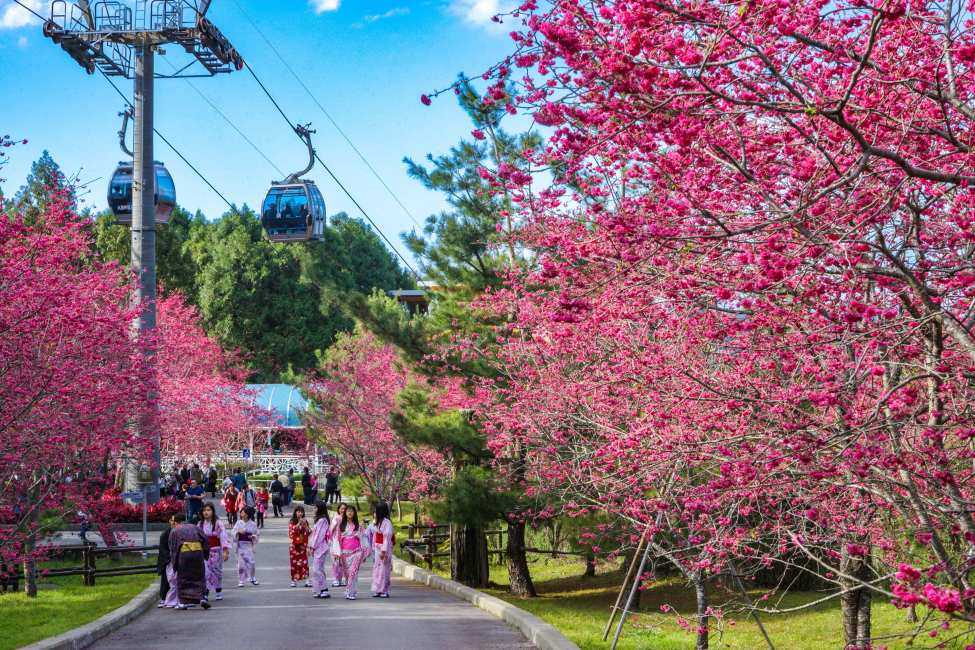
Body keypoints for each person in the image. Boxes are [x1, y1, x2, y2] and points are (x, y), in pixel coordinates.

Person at [168, 513, 211, 610]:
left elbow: (173, 548)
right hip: (198, 553)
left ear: (176, 522)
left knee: (183, 578)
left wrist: (174, 564)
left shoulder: (175, 531)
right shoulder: (196, 528)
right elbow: (205, 541)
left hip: (184, 555)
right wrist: (205, 555)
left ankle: (183, 602)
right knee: (199, 576)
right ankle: (202, 597)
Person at [198, 502, 230, 602]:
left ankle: (218, 591)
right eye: (204, 510)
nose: (206, 512)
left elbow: (224, 537)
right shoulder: (200, 524)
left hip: (216, 551)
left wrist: (225, 551)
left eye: (208, 510)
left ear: (212, 511)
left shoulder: (218, 523)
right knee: (206, 572)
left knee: (217, 572)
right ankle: (205, 593)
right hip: (204, 552)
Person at [337, 505, 367, 599]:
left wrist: (365, 553)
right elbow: (337, 540)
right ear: (345, 513)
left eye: (352, 511)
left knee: (353, 572)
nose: (350, 512)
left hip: (357, 552)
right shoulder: (341, 525)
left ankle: (350, 592)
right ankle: (352, 591)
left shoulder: (359, 525)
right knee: (347, 573)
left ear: (354, 513)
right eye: (348, 511)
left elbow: (364, 539)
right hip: (344, 553)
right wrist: (337, 553)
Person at [368, 502, 394, 598]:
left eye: (376, 511)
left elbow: (387, 537)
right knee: (377, 569)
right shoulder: (377, 522)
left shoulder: (387, 523)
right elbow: (373, 534)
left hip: (384, 548)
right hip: (377, 548)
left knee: (384, 570)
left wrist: (383, 551)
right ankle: (377, 589)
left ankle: (384, 590)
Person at [308, 502, 332, 599]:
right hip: (318, 548)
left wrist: (312, 546)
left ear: (320, 509)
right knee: (317, 569)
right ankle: (319, 589)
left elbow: (319, 536)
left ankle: (324, 589)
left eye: (315, 508)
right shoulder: (320, 520)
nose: (314, 510)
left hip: (321, 547)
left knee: (317, 569)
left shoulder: (322, 520)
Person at [232, 506, 260, 587]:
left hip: (248, 545)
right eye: (241, 512)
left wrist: (253, 537)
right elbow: (233, 532)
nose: (241, 514)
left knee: (251, 562)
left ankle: (253, 577)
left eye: (243, 512)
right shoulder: (238, 523)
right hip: (240, 544)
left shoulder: (253, 524)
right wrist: (238, 532)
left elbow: (257, 533)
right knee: (241, 564)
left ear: (247, 514)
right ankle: (241, 580)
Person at [288, 506, 312, 588]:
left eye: (301, 512)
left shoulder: (305, 521)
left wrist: (305, 525)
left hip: (303, 545)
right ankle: (293, 580)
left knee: (304, 563)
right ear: (295, 512)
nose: (300, 513)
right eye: (298, 511)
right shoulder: (292, 521)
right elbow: (292, 532)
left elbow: (309, 532)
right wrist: (298, 523)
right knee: (294, 563)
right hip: (294, 546)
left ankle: (307, 580)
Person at [157, 515, 177, 608]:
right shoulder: (165, 534)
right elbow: (163, 549)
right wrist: (170, 558)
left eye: (176, 521)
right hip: (168, 560)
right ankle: (163, 598)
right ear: (170, 521)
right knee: (166, 579)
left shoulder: (182, 532)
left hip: (179, 559)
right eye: (172, 520)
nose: (174, 522)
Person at [329, 502, 348, 587]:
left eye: (345, 509)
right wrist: (331, 541)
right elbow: (330, 530)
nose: (343, 510)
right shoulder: (336, 518)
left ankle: (341, 579)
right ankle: (335, 579)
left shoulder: (348, 519)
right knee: (336, 561)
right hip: (336, 542)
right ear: (338, 509)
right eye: (341, 508)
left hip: (345, 542)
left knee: (343, 562)